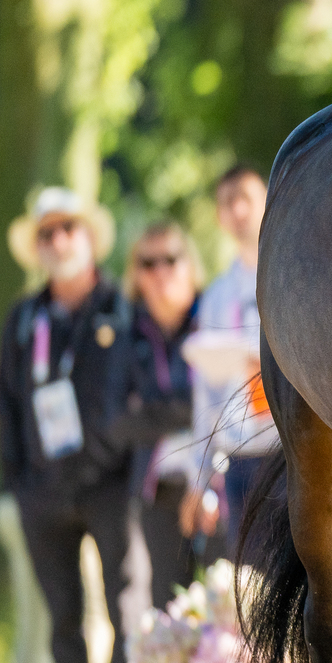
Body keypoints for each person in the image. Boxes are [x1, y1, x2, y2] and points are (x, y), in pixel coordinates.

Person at [0, 188, 138, 663]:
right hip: (43, 489)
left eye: (67, 229)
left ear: (89, 237)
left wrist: (113, 457)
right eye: (46, 233)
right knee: (62, 617)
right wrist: (19, 482)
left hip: (111, 484)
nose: (58, 241)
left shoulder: (121, 306)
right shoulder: (24, 318)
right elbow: (4, 402)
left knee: (124, 607)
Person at [182, 165, 277, 535]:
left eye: (246, 199)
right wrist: (198, 477)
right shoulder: (216, 298)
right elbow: (205, 395)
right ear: (219, 217)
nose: (238, 210)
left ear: (268, 202)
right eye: (227, 202)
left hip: (293, 452)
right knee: (250, 585)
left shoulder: (296, 278)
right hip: (240, 459)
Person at [116, 221, 202, 612]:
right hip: (158, 491)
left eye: (170, 258)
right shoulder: (124, 332)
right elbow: (117, 418)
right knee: (169, 616)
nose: (160, 271)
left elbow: (233, 399)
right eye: (148, 262)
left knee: (234, 610)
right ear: (136, 274)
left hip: (219, 483)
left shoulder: (214, 312)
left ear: (190, 264)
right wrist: (188, 406)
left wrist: (154, 407)